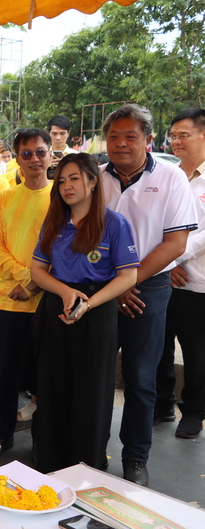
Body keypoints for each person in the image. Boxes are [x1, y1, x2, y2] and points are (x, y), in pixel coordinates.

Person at [99, 104, 197, 485]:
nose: (121, 144)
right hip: (101, 286)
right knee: (96, 373)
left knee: (140, 377)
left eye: (130, 137)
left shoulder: (172, 178)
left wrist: (128, 281)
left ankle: (136, 458)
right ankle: (91, 449)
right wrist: (114, 285)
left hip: (149, 287)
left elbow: (175, 243)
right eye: (113, 137)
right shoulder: (96, 177)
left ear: (148, 140)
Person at [30, 153, 139, 473]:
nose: (66, 186)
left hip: (97, 313)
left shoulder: (114, 224)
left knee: (92, 392)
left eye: (74, 178)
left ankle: (88, 467)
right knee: (52, 388)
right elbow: (38, 270)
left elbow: (128, 276)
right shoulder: (54, 223)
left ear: (93, 182)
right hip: (57, 307)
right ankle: (51, 464)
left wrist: (88, 304)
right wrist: (65, 292)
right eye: (61, 181)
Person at [0, 128, 53, 450]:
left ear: (51, 154)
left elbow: (66, 248)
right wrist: (25, 278)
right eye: (26, 154)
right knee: (5, 373)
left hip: (47, 300)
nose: (35, 159)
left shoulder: (62, 196)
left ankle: (45, 439)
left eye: (40, 152)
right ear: (16, 160)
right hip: (9, 300)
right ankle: (3, 432)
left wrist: (34, 284)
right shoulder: (4, 199)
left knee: (44, 374)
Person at [155, 107, 205, 439]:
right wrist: (166, 263)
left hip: (197, 281)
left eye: (182, 135)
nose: (175, 141)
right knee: (157, 347)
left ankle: (194, 412)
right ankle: (161, 405)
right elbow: (154, 223)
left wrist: (172, 258)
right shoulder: (168, 176)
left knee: (197, 352)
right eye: (172, 136)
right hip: (162, 277)